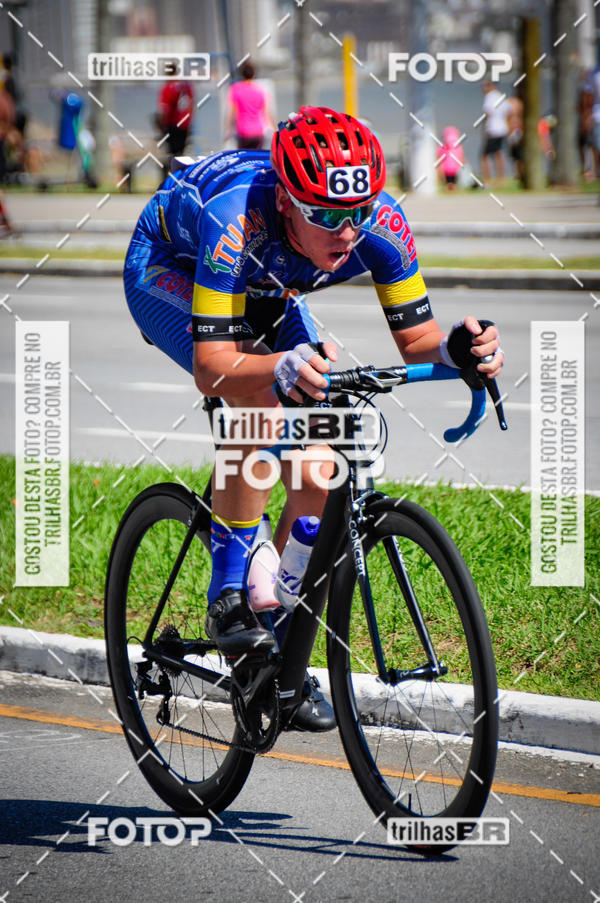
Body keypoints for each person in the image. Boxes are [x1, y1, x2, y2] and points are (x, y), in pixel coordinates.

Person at [123, 106, 503, 730]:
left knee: (322, 461)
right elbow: (213, 367)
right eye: (326, 216)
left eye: (358, 212)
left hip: (267, 287)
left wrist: (458, 348)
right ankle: (228, 598)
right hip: (171, 268)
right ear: (285, 201)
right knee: (261, 400)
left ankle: (273, 637)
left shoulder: (379, 224)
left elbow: (418, 341)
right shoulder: (237, 216)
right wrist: (274, 367)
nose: (347, 232)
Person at [224, 59, 275, 150]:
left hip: (243, 131)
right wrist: (274, 129)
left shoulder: (235, 89)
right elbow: (267, 112)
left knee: (244, 156)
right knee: (257, 155)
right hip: (258, 132)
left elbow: (232, 113)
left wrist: (228, 130)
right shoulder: (260, 90)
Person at [480, 80, 510, 185]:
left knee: (484, 156)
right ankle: (501, 178)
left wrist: (486, 127)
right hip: (502, 129)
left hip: (493, 130)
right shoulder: (500, 96)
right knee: (499, 154)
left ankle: (487, 179)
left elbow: (488, 112)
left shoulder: (490, 97)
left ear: (490, 86)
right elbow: (508, 111)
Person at [157, 79, 194, 156]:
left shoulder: (168, 87)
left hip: (173, 123)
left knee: (172, 152)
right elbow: (191, 105)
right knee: (180, 151)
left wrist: (163, 124)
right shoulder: (186, 86)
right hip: (184, 123)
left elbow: (165, 108)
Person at [436, 126, 464, 191]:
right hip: (454, 168)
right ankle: (452, 188)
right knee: (453, 183)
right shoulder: (458, 146)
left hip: (446, 169)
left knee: (448, 183)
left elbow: (439, 156)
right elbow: (460, 156)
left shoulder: (442, 146)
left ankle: (449, 188)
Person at [506, 92, 524, 184]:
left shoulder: (510, 103)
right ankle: (519, 174)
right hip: (516, 130)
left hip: (515, 131)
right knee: (517, 155)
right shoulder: (520, 103)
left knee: (517, 156)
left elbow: (508, 118)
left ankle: (520, 174)